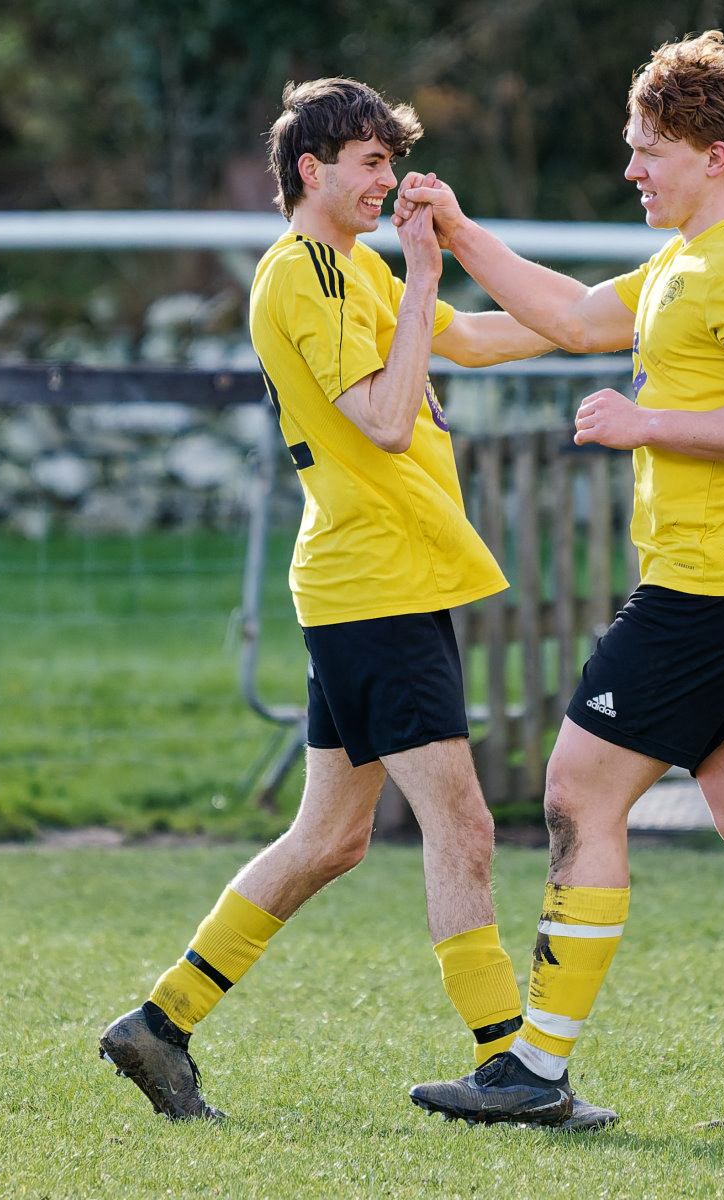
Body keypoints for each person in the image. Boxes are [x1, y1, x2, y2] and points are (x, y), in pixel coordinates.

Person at [96, 76, 615, 1127]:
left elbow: (471, 340)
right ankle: (510, 1067)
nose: (387, 180)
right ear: (312, 169)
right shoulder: (306, 275)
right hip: (375, 583)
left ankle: (160, 1024)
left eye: (391, 161)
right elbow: (383, 419)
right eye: (371, 162)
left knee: (331, 839)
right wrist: (422, 274)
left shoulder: (351, 270)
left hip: (373, 580)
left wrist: (621, 316)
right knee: (464, 828)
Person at [395, 31, 724, 1132]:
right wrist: (457, 234)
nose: (631, 169)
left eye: (649, 150)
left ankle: (535, 1070)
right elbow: (569, 319)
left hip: (709, 591)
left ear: (712, 154)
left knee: (575, 793)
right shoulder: (681, 264)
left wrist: (644, 421)